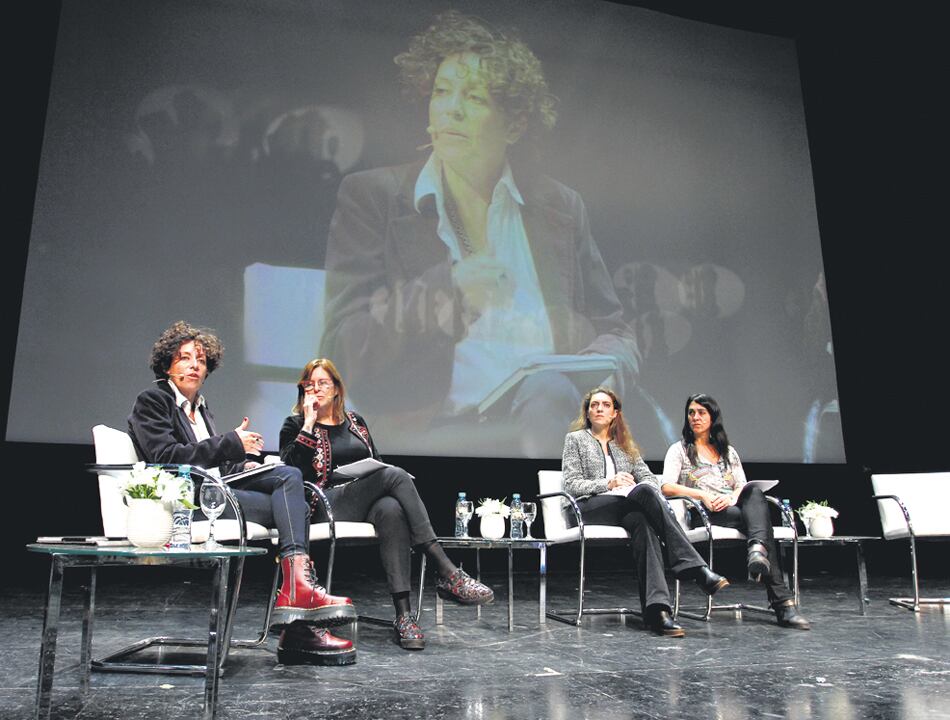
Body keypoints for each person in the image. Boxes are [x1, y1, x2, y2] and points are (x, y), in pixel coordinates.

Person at [320, 10, 639, 457]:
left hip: (554, 414)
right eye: (441, 91)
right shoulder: (375, 196)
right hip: (432, 433)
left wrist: (600, 371)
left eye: (473, 96)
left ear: (513, 124)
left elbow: (615, 329)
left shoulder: (560, 207)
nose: (450, 108)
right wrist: (448, 293)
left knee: (553, 391)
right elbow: (341, 349)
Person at [127, 321, 357, 666]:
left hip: (215, 493)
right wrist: (231, 443)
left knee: (288, 481)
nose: (194, 365)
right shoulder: (153, 401)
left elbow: (214, 465)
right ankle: (297, 612)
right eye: (184, 358)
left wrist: (244, 466)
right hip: (187, 505)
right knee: (293, 497)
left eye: (201, 360)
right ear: (167, 365)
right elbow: (167, 458)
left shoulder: (201, 408)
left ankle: (296, 606)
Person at [279, 358, 494, 650]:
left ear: (337, 389)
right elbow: (290, 471)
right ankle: (446, 570)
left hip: (361, 501)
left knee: (391, 509)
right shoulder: (293, 424)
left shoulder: (356, 422)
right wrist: (308, 422)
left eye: (323, 383)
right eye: (310, 384)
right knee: (394, 475)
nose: (316, 389)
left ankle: (404, 616)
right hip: (322, 505)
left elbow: (376, 464)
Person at [561, 387, 729, 637]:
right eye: (594, 405)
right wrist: (609, 483)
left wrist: (636, 486)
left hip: (626, 507)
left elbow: (649, 479)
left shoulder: (625, 445)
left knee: (643, 520)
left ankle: (657, 611)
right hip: (588, 506)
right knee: (643, 496)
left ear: (615, 413)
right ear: (587, 411)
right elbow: (572, 484)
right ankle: (693, 566)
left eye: (605, 405)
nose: (599, 409)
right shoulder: (575, 440)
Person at [660, 393, 810, 629]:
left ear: (713, 417)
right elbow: (666, 486)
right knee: (762, 527)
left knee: (755, 493)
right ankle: (782, 601)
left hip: (734, 508)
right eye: (691, 412)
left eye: (701, 412)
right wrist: (705, 496)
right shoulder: (679, 450)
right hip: (705, 512)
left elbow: (741, 485)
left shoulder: (728, 452)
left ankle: (759, 552)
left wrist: (731, 497)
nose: (695, 417)